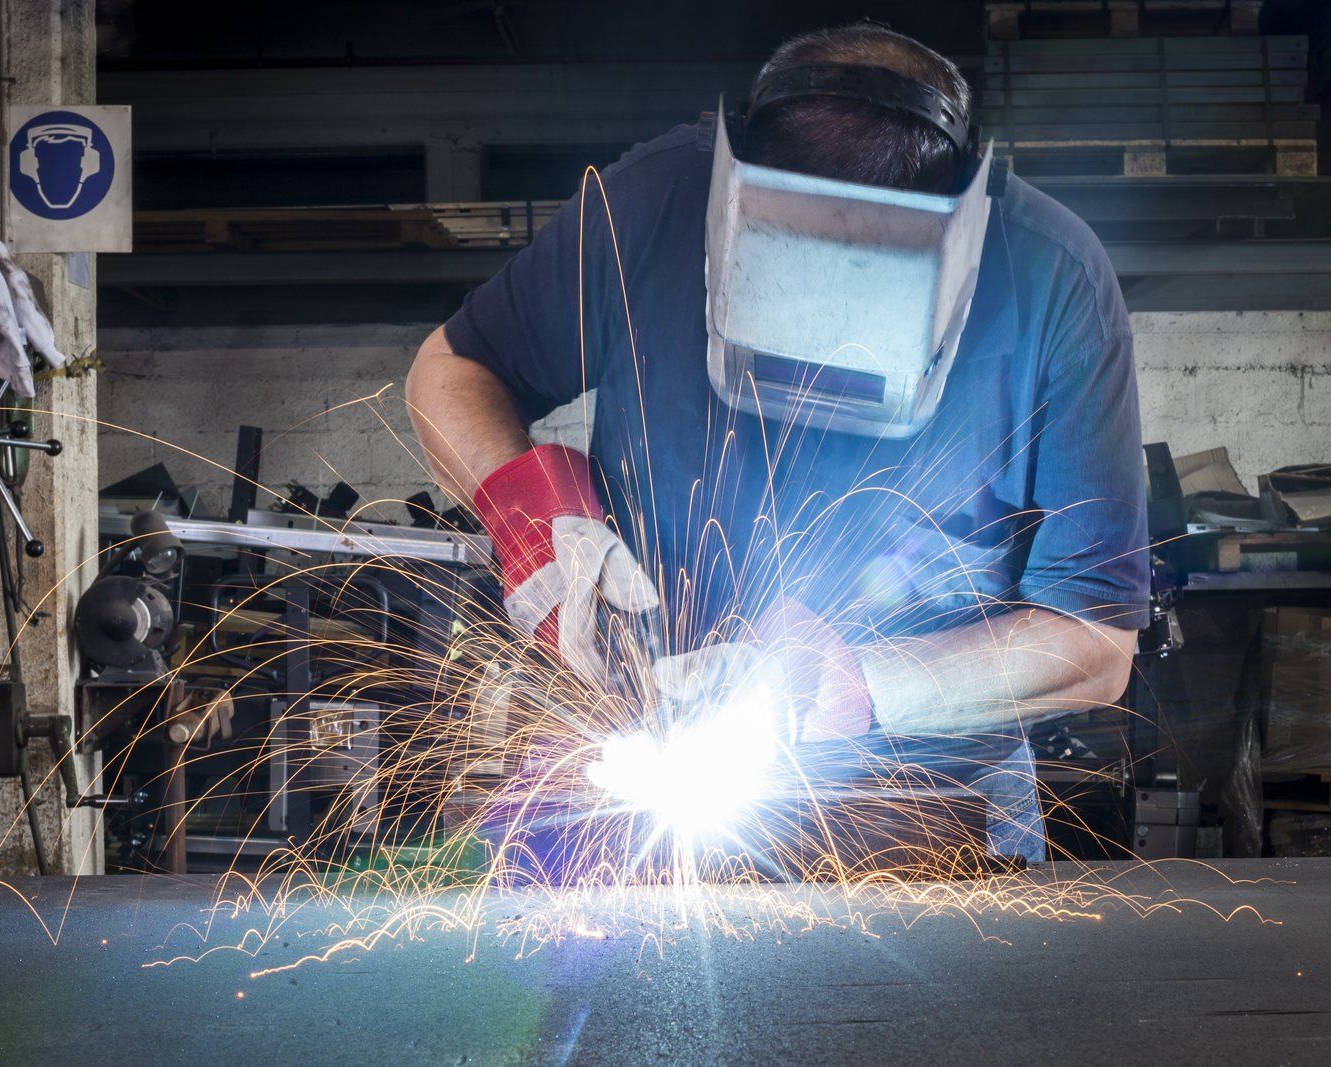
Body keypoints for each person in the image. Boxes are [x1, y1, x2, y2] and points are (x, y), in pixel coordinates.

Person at [406, 23, 1149, 863]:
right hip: (654, 771)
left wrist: (865, 682)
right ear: (732, 219)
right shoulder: (656, 204)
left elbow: (1095, 642)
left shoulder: (1055, 279)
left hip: (933, 798)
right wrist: (542, 531)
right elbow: (452, 369)